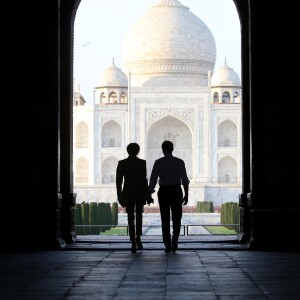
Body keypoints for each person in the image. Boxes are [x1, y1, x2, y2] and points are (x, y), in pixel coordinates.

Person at [149, 140, 190, 253]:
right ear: (172, 149)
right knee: (177, 218)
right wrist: (186, 195)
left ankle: (167, 244)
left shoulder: (158, 162)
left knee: (165, 218)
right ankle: (175, 241)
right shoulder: (179, 162)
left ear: (162, 150)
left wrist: (149, 194)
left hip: (164, 192)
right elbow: (185, 180)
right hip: (176, 191)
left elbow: (153, 180)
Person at [116, 143, 153, 253]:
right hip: (139, 193)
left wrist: (120, 196)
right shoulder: (141, 163)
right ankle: (138, 239)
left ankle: (133, 241)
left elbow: (119, 182)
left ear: (127, 151)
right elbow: (144, 180)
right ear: (138, 151)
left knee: (130, 218)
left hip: (128, 193)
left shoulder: (122, 163)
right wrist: (148, 196)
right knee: (139, 217)